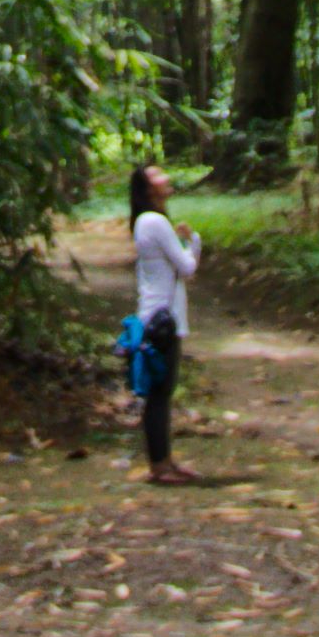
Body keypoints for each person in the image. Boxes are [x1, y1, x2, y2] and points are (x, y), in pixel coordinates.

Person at [127, 162, 201, 485]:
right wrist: (192, 240)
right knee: (159, 394)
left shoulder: (147, 221)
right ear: (147, 188)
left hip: (157, 316)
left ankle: (165, 461)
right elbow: (186, 267)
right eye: (156, 175)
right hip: (162, 320)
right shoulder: (155, 221)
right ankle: (159, 465)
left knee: (162, 393)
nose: (165, 177)